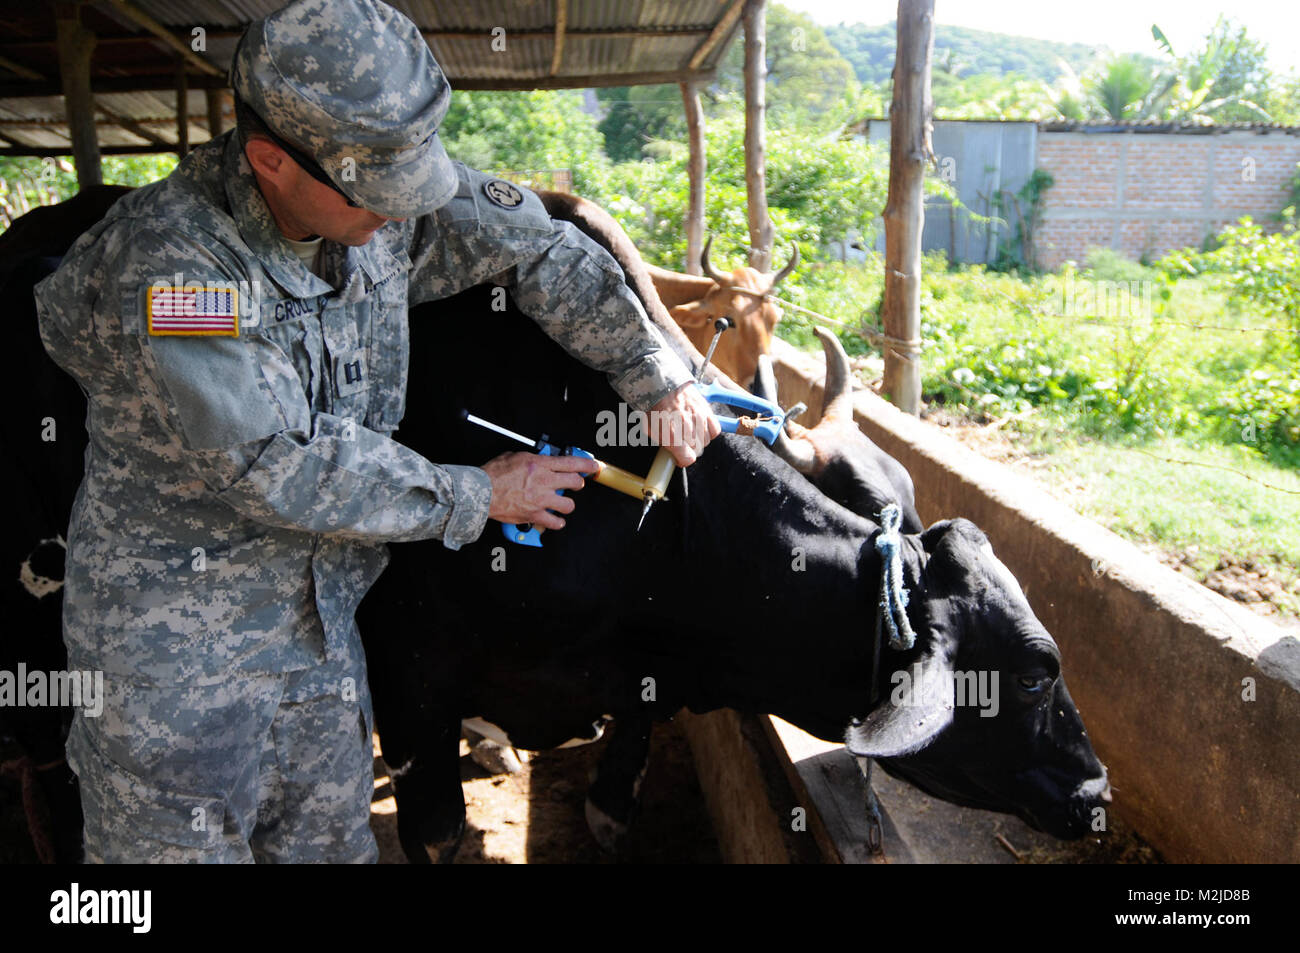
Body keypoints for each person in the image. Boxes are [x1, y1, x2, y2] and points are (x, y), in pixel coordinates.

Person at [34, 0, 718, 863]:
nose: (402, 218)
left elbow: (538, 244)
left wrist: (651, 374)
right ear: (270, 160)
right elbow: (269, 459)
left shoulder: (370, 191)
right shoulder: (174, 270)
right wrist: (479, 491)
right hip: (176, 669)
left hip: (320, 637)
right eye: (380, 199)